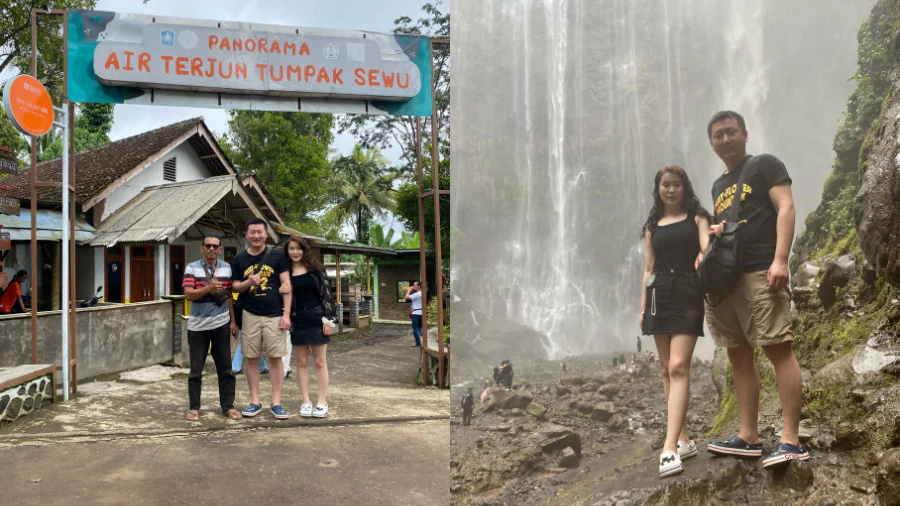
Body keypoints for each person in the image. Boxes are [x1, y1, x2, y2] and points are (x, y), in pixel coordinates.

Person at [704, 111, 807, 469]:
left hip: (762, 271)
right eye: (718, 135)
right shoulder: (718, 186)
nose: (726, 139)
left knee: (778, 349)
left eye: (731, 132)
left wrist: (781, 260)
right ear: (712, 143)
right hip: (728, 281)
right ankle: (748, 436)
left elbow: (786, 208)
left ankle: (791, 440)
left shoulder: (765, 164)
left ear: (745, 134)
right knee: (738, 355)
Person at [640, 165, 712, 478]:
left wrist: (707, 251)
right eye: (665, 185)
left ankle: (668, 448)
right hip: (657, 296)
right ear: (658, 189)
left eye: (677, 185)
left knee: (679, 366)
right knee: (666, 368)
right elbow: (648, 268)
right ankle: (683, 439)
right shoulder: (652, 226)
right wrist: (643, 307)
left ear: (685, 188)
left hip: (686, 290)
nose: (671, 190)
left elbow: (707, 249)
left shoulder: (698, 217)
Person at [231, 218, 292, 419]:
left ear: (266, 234)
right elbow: (234, 287)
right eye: (252, 232)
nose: (256, 236)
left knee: (276, 359)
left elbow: (286, 286)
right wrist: (249, 281)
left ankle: (276, 402)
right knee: (252, 359)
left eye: (260, 232)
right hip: (250, 314)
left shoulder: (277, 257)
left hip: (275, 314)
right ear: (246, 235)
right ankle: (255, 401)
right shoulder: (240, 259)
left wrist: (286, 314)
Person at [182, 235, 240, 421]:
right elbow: (188, 295)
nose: (211, 249)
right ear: (201, 248)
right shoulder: (192, 268)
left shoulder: (227, 268)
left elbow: (229, 295)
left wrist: (233, 321)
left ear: (220, 249)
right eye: (208, 245)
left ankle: (228, 406)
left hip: (221, 325)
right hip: (198, 327)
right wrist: (208, 289)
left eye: (215, 246)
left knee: (225, 368)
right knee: (196, 370)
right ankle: (194, 407)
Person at [278, 235, 336, 418]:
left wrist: (329, 320)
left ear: (304, 250)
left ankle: (321, 401)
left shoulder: (316, 269)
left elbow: (327, 295)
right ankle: (305, 401)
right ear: (287, 251)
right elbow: (278, 295)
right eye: (291, 249)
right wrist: (279, 291)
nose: (295, 252)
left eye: (298, 248)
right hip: (298, 320)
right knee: (301, 362)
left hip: (317, 317)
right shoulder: (285, 272)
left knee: (320, 362)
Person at [405, 281, 423, 347]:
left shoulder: (417, 294)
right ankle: (423, 340)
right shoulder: (423, 293)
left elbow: (406, 297)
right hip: (421, 312)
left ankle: (418, 343)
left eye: (415, 285)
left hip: (416, 313)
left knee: (415, 328)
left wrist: (409, 289)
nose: (413, 286)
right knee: (420, 327)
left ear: (419, 286)